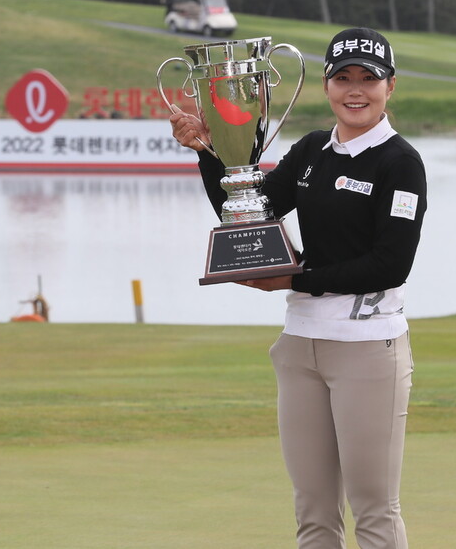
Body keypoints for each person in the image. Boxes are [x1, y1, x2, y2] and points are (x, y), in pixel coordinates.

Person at [169, 27, 427, 549]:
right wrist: (206, 149)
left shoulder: (400, 163)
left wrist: (294, 279)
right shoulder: (311, 151)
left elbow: (389, 265)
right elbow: (243, 210)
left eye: (368, 80)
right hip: (300, 347)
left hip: (367, 350)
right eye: (343, 78)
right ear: (327, 86)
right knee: (312, 512)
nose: (355, 91)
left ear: (390, 87)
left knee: (374, 511)